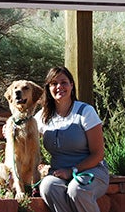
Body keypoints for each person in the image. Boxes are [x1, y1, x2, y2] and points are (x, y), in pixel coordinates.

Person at [35, 66, 109, 212]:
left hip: (92, 171)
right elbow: (26, 133)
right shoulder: (43, 116)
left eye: (64, 82)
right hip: (58, 173)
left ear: (71, 85)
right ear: (48, 88)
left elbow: (98, 154)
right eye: (54, 83)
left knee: (77, 189)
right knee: (48, 186)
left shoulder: (85, 112)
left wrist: (72, 170)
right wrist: (10, 128)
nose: (59, 87)